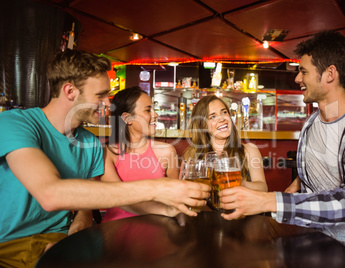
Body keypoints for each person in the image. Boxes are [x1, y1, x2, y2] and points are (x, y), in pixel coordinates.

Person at [0, 49, 209, 268]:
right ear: (70, 91)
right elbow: (50, 194)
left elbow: (88, 203)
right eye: (100, 95)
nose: (109, 104)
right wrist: (158, 188)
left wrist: (167, 209)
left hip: (59, 240)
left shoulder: (89, 142)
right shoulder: (15, 123)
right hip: (8, 244)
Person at [219, 31, 345, 267]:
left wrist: (269, 201)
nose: (297, 79)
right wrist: (295, 187)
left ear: (330, 74)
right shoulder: (310, 125)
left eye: (303, 71)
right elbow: (313, 180)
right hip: (318, 239)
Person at [100, 86, 179, 222]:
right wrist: (165, 210)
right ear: (127, 118)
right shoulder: (107, 153)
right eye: (148, 110)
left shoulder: (167, 152)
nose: (155, 115)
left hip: (159, 227)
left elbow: (175, 197)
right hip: (116, 229)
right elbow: (120, 198)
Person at [183, 95, 267, 192]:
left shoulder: (249, 150)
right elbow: (186, 190)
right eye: (213, 116)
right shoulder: (191, 154)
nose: (222, 119)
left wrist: (241, 182)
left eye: (224, 112)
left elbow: (263, 188)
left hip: (240, 206)